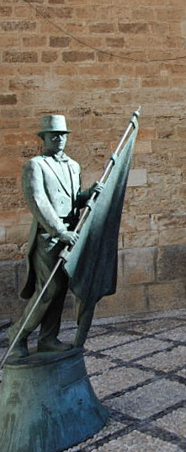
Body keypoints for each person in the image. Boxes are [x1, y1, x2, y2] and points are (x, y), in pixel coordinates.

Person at [7, 114, 102, 358]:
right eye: (54, 135)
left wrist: (89, 193)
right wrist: (59, 232)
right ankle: (18, 335)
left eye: (63, 135)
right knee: (48, 290)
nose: (59, 139)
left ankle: (49, 338)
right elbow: (38, 203)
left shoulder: (73, 165)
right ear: (44, 138)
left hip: (70, 235)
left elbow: (73, 201)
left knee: (60, 291)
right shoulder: (35, 166)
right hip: (48, 238)